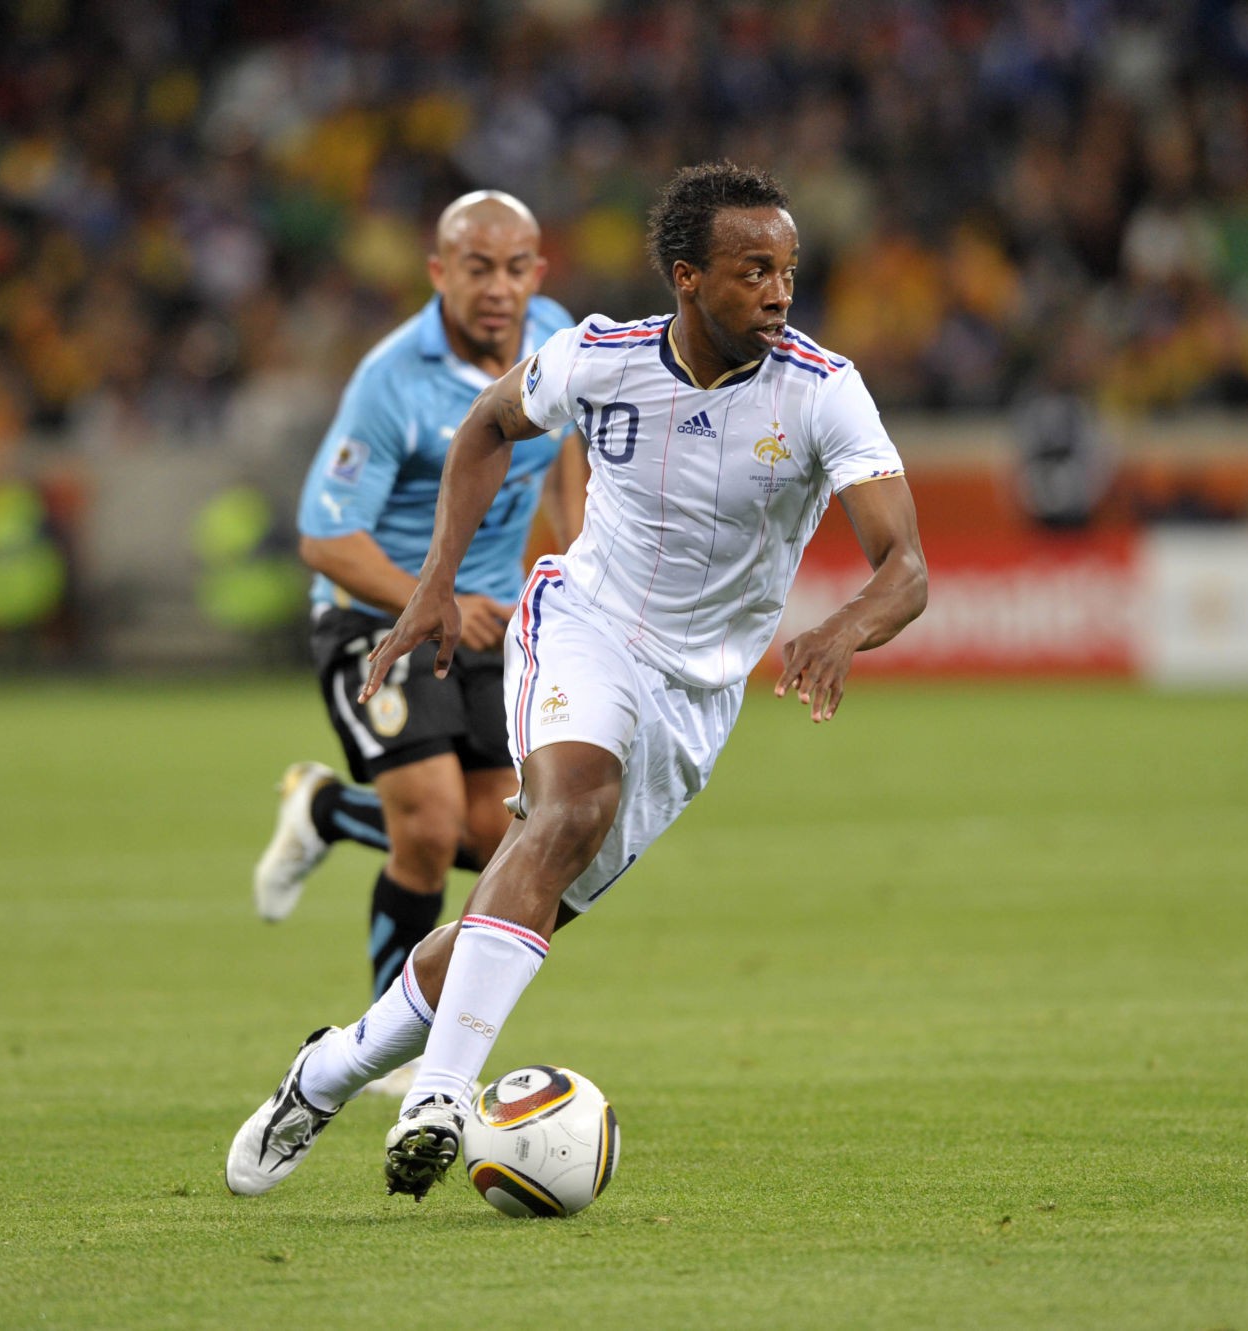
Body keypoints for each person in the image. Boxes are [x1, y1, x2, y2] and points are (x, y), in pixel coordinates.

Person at [226, 162, 927, 1201]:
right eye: (753, 272)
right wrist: (432, 583)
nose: (779, 293)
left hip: (698, 695)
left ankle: (326, 1069)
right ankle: (438, 1098)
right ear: (687, 277)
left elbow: (904, 565)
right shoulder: (599, 357)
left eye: (788, 271)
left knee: (524, 903)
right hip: (584, 625)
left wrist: (844, 625)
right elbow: (486, 426)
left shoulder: (823, 389)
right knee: (566, 808)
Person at [249, 192, 587, 1087]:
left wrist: (581, 552)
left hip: (487, 618)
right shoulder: (390, 380)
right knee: (430, 824)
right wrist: (433, 597)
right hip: (380, 616)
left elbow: (567, 446)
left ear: (538, 274)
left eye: (514, 268)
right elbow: (326, 537)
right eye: (477, 268)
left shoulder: (555, 339)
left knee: (497, 838)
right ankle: (383, 1046)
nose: (497, 287)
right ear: (439, 272)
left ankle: (327, 811)